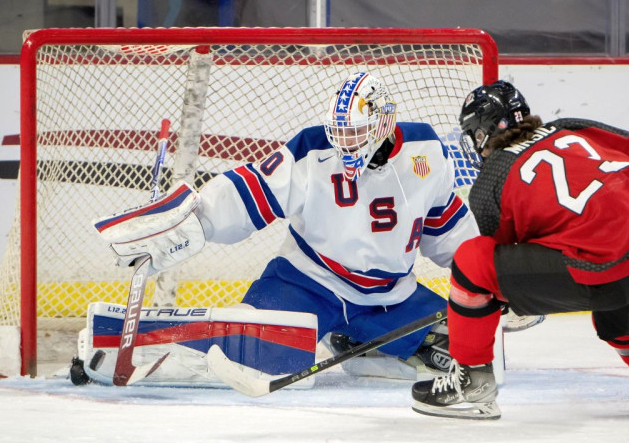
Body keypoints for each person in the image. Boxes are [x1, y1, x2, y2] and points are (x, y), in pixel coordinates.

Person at [99, 71, 482, 378]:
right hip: (306, 283)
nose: (345, 144)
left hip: (389, 297)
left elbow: (444, 224)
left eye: (355, 134)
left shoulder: (426, 151)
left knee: (460, 341)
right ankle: (145, 349)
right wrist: (187, 224)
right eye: (340, 133)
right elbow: (248, 192)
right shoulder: (311, 151)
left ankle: (353, 341)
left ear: (383, 124)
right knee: (258, 351)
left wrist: (486, 273)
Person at [410, 80, 629, 419]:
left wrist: (486, 306)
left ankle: (471, 382)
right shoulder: (571, 126)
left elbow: (493, 270)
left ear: (480, 134)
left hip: (599, 271)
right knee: (624, 330)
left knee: (470, 262)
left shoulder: (492, 177)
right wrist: (627, 225)